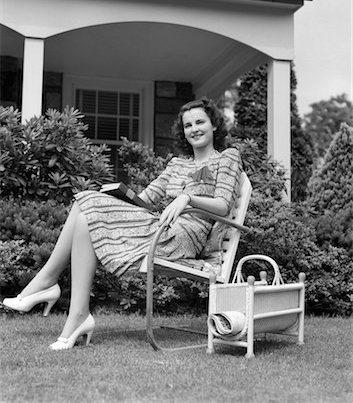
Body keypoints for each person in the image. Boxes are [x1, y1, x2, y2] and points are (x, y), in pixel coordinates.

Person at [2, 98, 242, 350]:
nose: (194, 129)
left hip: (184, 236)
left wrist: (187, 197)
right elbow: (146, 200)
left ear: (214, 124)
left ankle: (47, 283)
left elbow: (224, 205)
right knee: (85, 207)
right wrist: (119, 196)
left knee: (86, 205)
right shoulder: (177, 164)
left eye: (200, 122)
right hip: (159, 226)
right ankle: (77, 315)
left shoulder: (226, 158)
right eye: (188, 125)